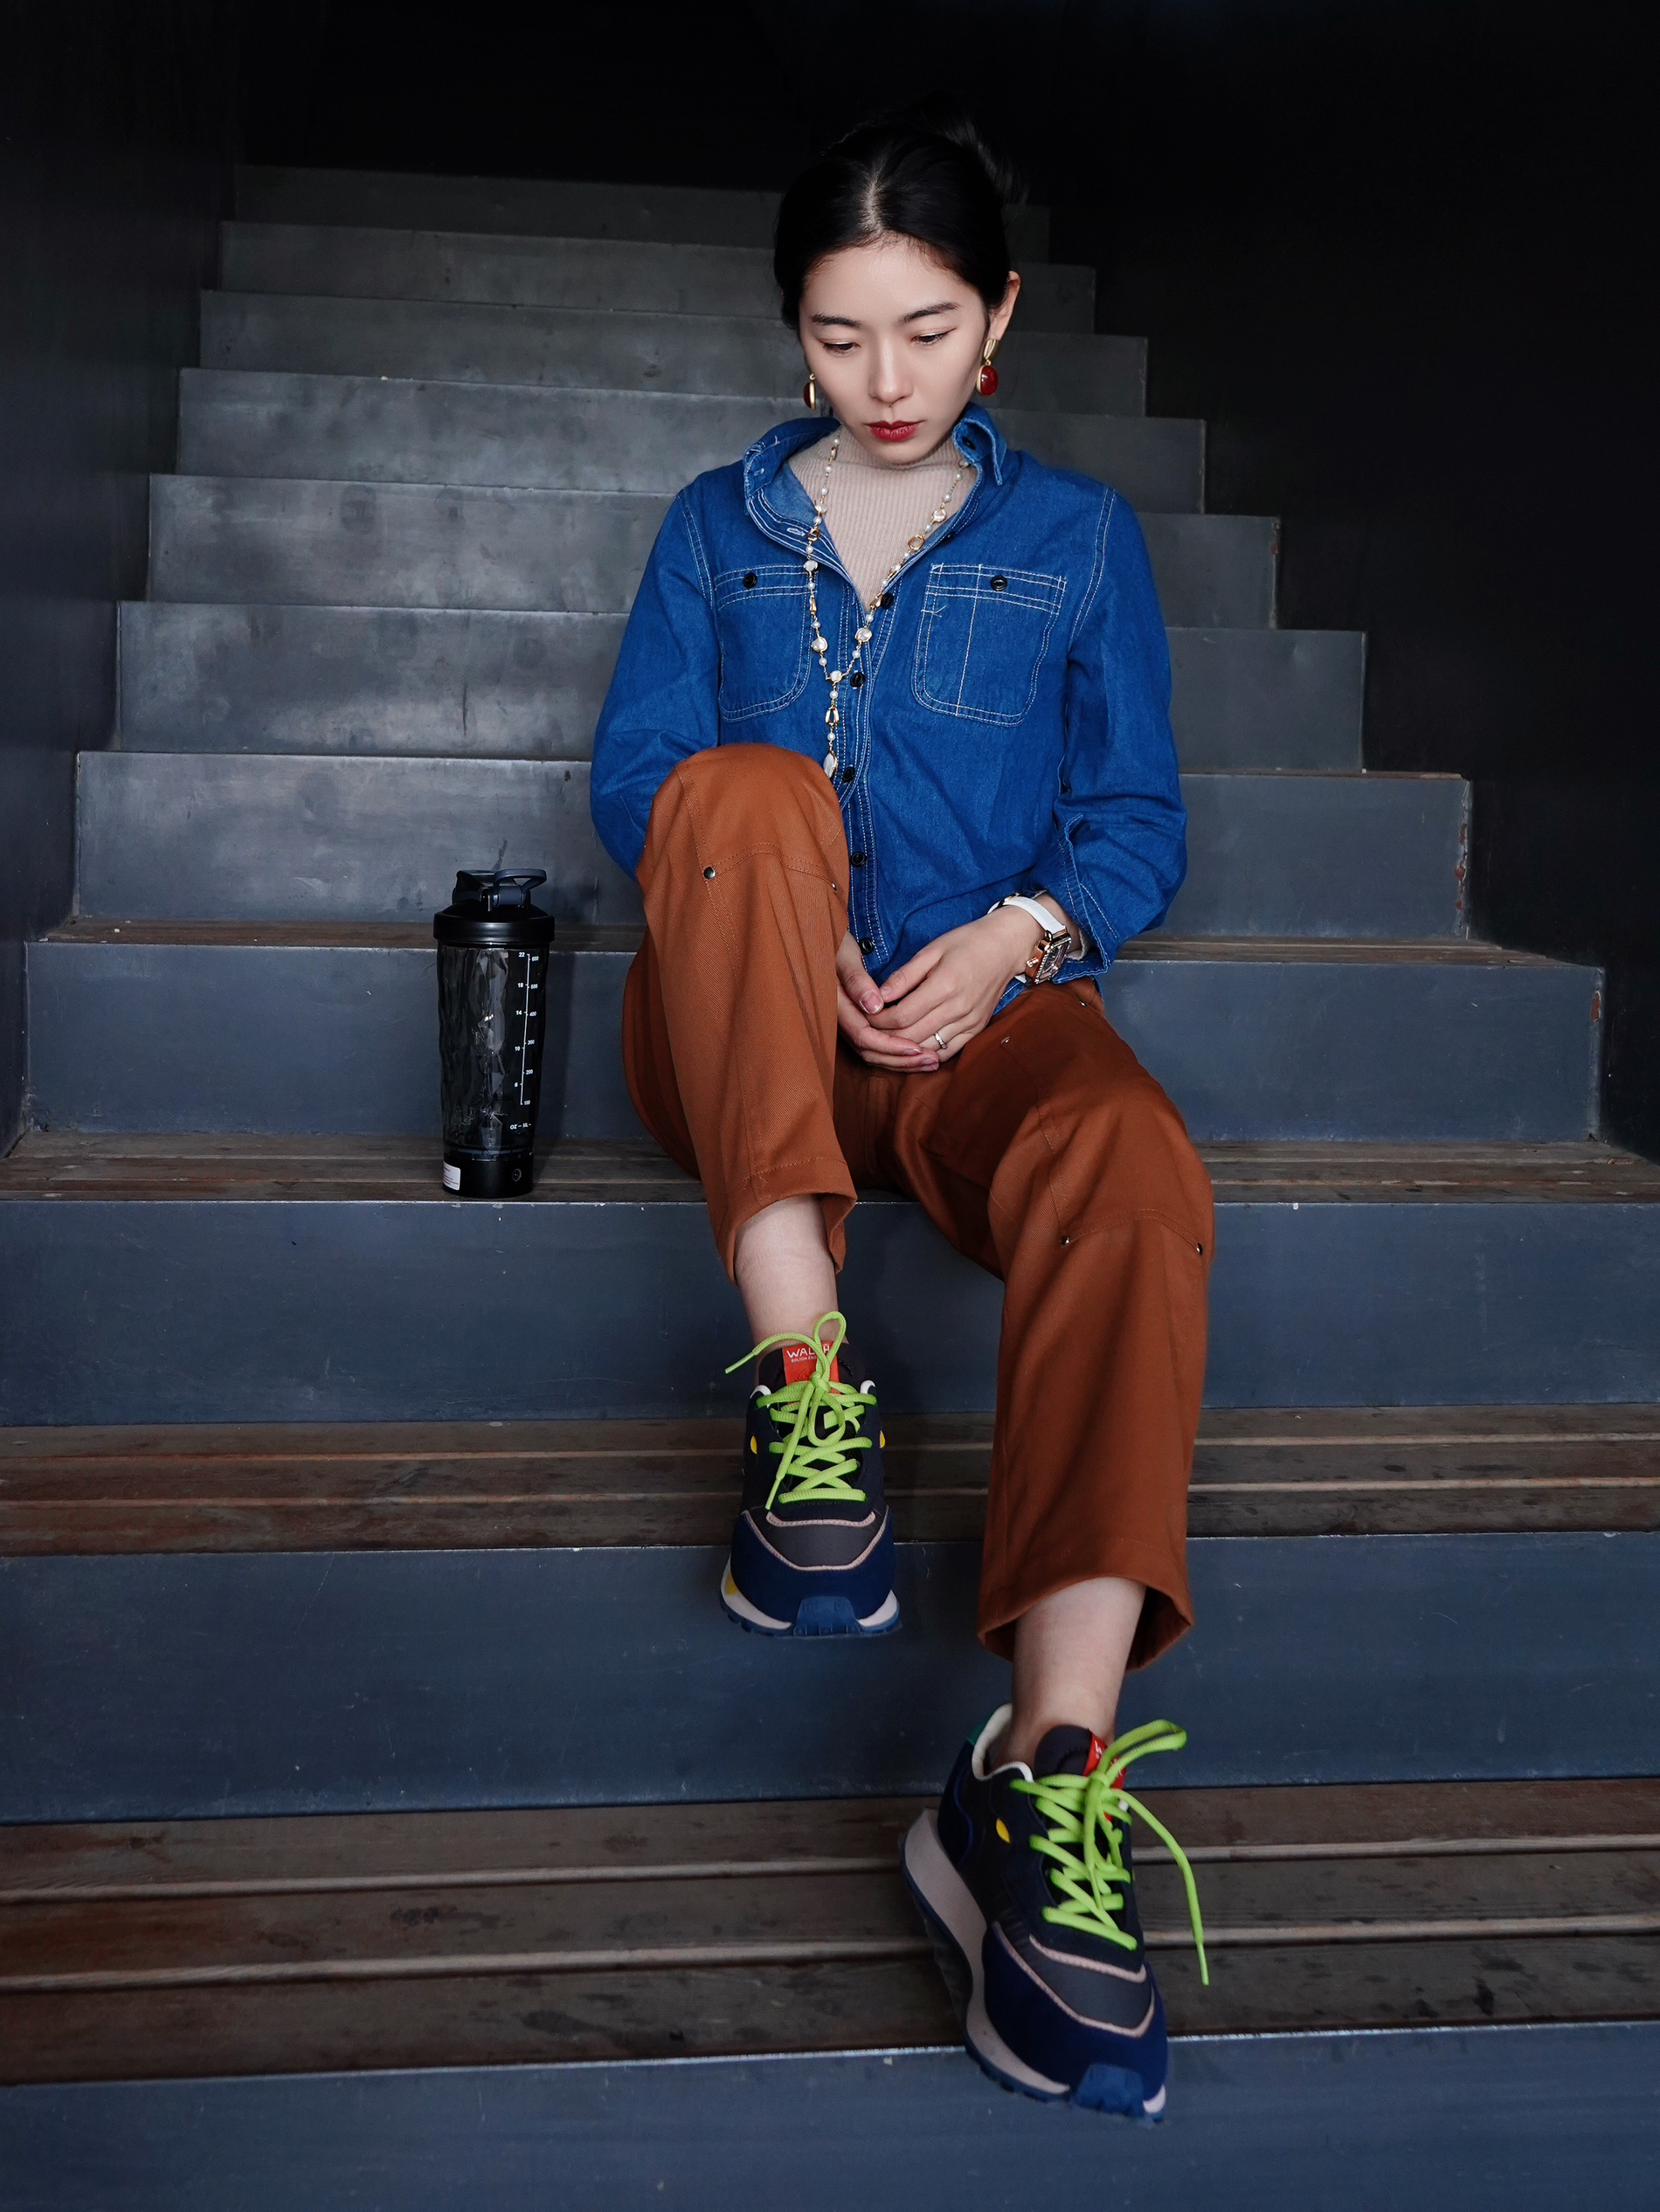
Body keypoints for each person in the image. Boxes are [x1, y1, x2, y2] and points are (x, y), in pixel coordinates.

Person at [591, 113, 1213, 2120]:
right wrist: (777, 906)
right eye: (838, 335)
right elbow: (638, 792)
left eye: (926, 332)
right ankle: (807, 1394)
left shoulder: (1074, 540)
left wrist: (1015, 935)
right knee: (736, 787)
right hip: (732, 1035)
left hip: (965, 1041)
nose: (882, 380)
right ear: (792, 329)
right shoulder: (711, 528)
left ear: (997, 318)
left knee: (1130, 1159)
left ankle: (1039, 1788)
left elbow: (1132, 825)